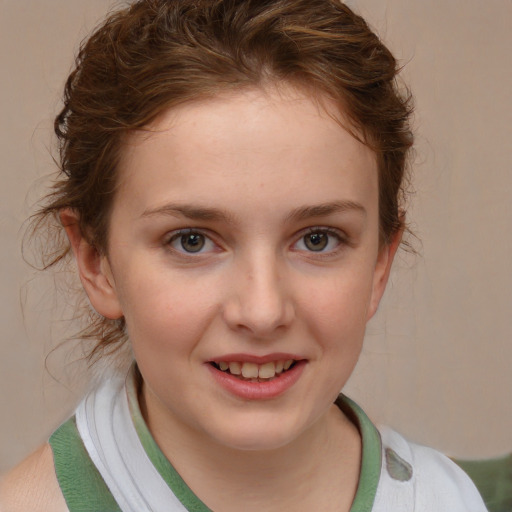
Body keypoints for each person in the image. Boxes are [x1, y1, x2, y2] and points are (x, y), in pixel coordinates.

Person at [0, 0, 488, 510]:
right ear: (96, 262)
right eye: (192, 240)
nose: (262, 311)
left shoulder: (446, 499)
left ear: (379, 265)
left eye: (317, 239)